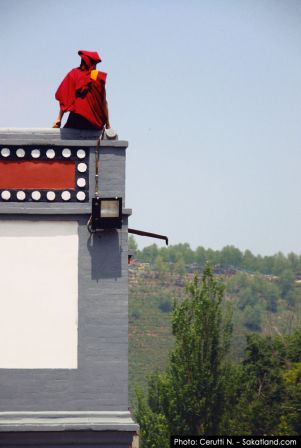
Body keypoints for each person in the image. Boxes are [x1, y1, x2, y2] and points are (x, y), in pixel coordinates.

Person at [53, 50, 110, 130]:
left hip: (77, 118)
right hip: (94, 123)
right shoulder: (95, 75)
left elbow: (65, 97)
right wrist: (107, 124)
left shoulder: (75, 73)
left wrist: (58, 119)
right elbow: (103, 101)